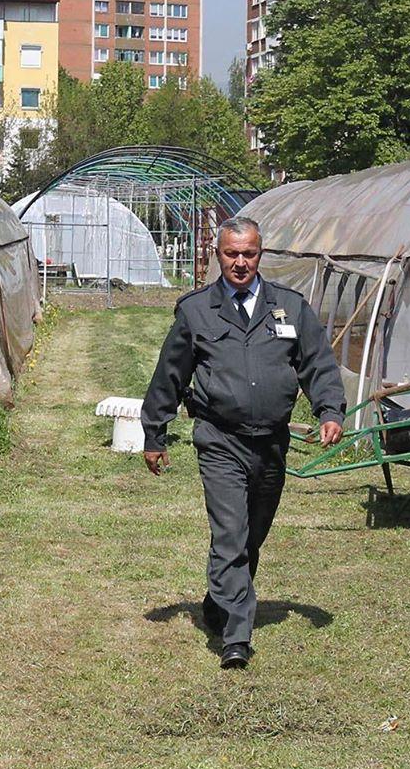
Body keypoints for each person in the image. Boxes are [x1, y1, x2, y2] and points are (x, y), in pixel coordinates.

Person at [142, 218, 345, 669]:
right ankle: (237, 636)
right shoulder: (196, 311)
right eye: (232, 254)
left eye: (248, 254)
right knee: (230, 535)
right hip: (220, 439)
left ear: (261, 254)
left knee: (252, 535)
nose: (240, 263)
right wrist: (155, 433)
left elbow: (317, 363)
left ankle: (219, 603)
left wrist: (329, 410)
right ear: (218, 254)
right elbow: (169, 375)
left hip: (271, 442)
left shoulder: (289, 308)